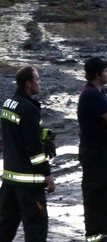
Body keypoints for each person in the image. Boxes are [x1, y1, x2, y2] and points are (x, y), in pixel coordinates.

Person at [0, 66, 53, 242]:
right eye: (37, 79)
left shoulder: (8, 104)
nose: (40, 83)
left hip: (10, 180)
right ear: (28, 84)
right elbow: (34, 150)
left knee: (5, 227)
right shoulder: (29, 109)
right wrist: (47, 175)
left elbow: (16, 135)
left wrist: (42, 136)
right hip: (29, 183)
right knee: (36, 228)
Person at [78, 56, 107, 242]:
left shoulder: (105, 92)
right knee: (96, 195)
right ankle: (95, 235)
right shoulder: (91, 95)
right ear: (97, 74)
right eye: (105, 70)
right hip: (94, 154)